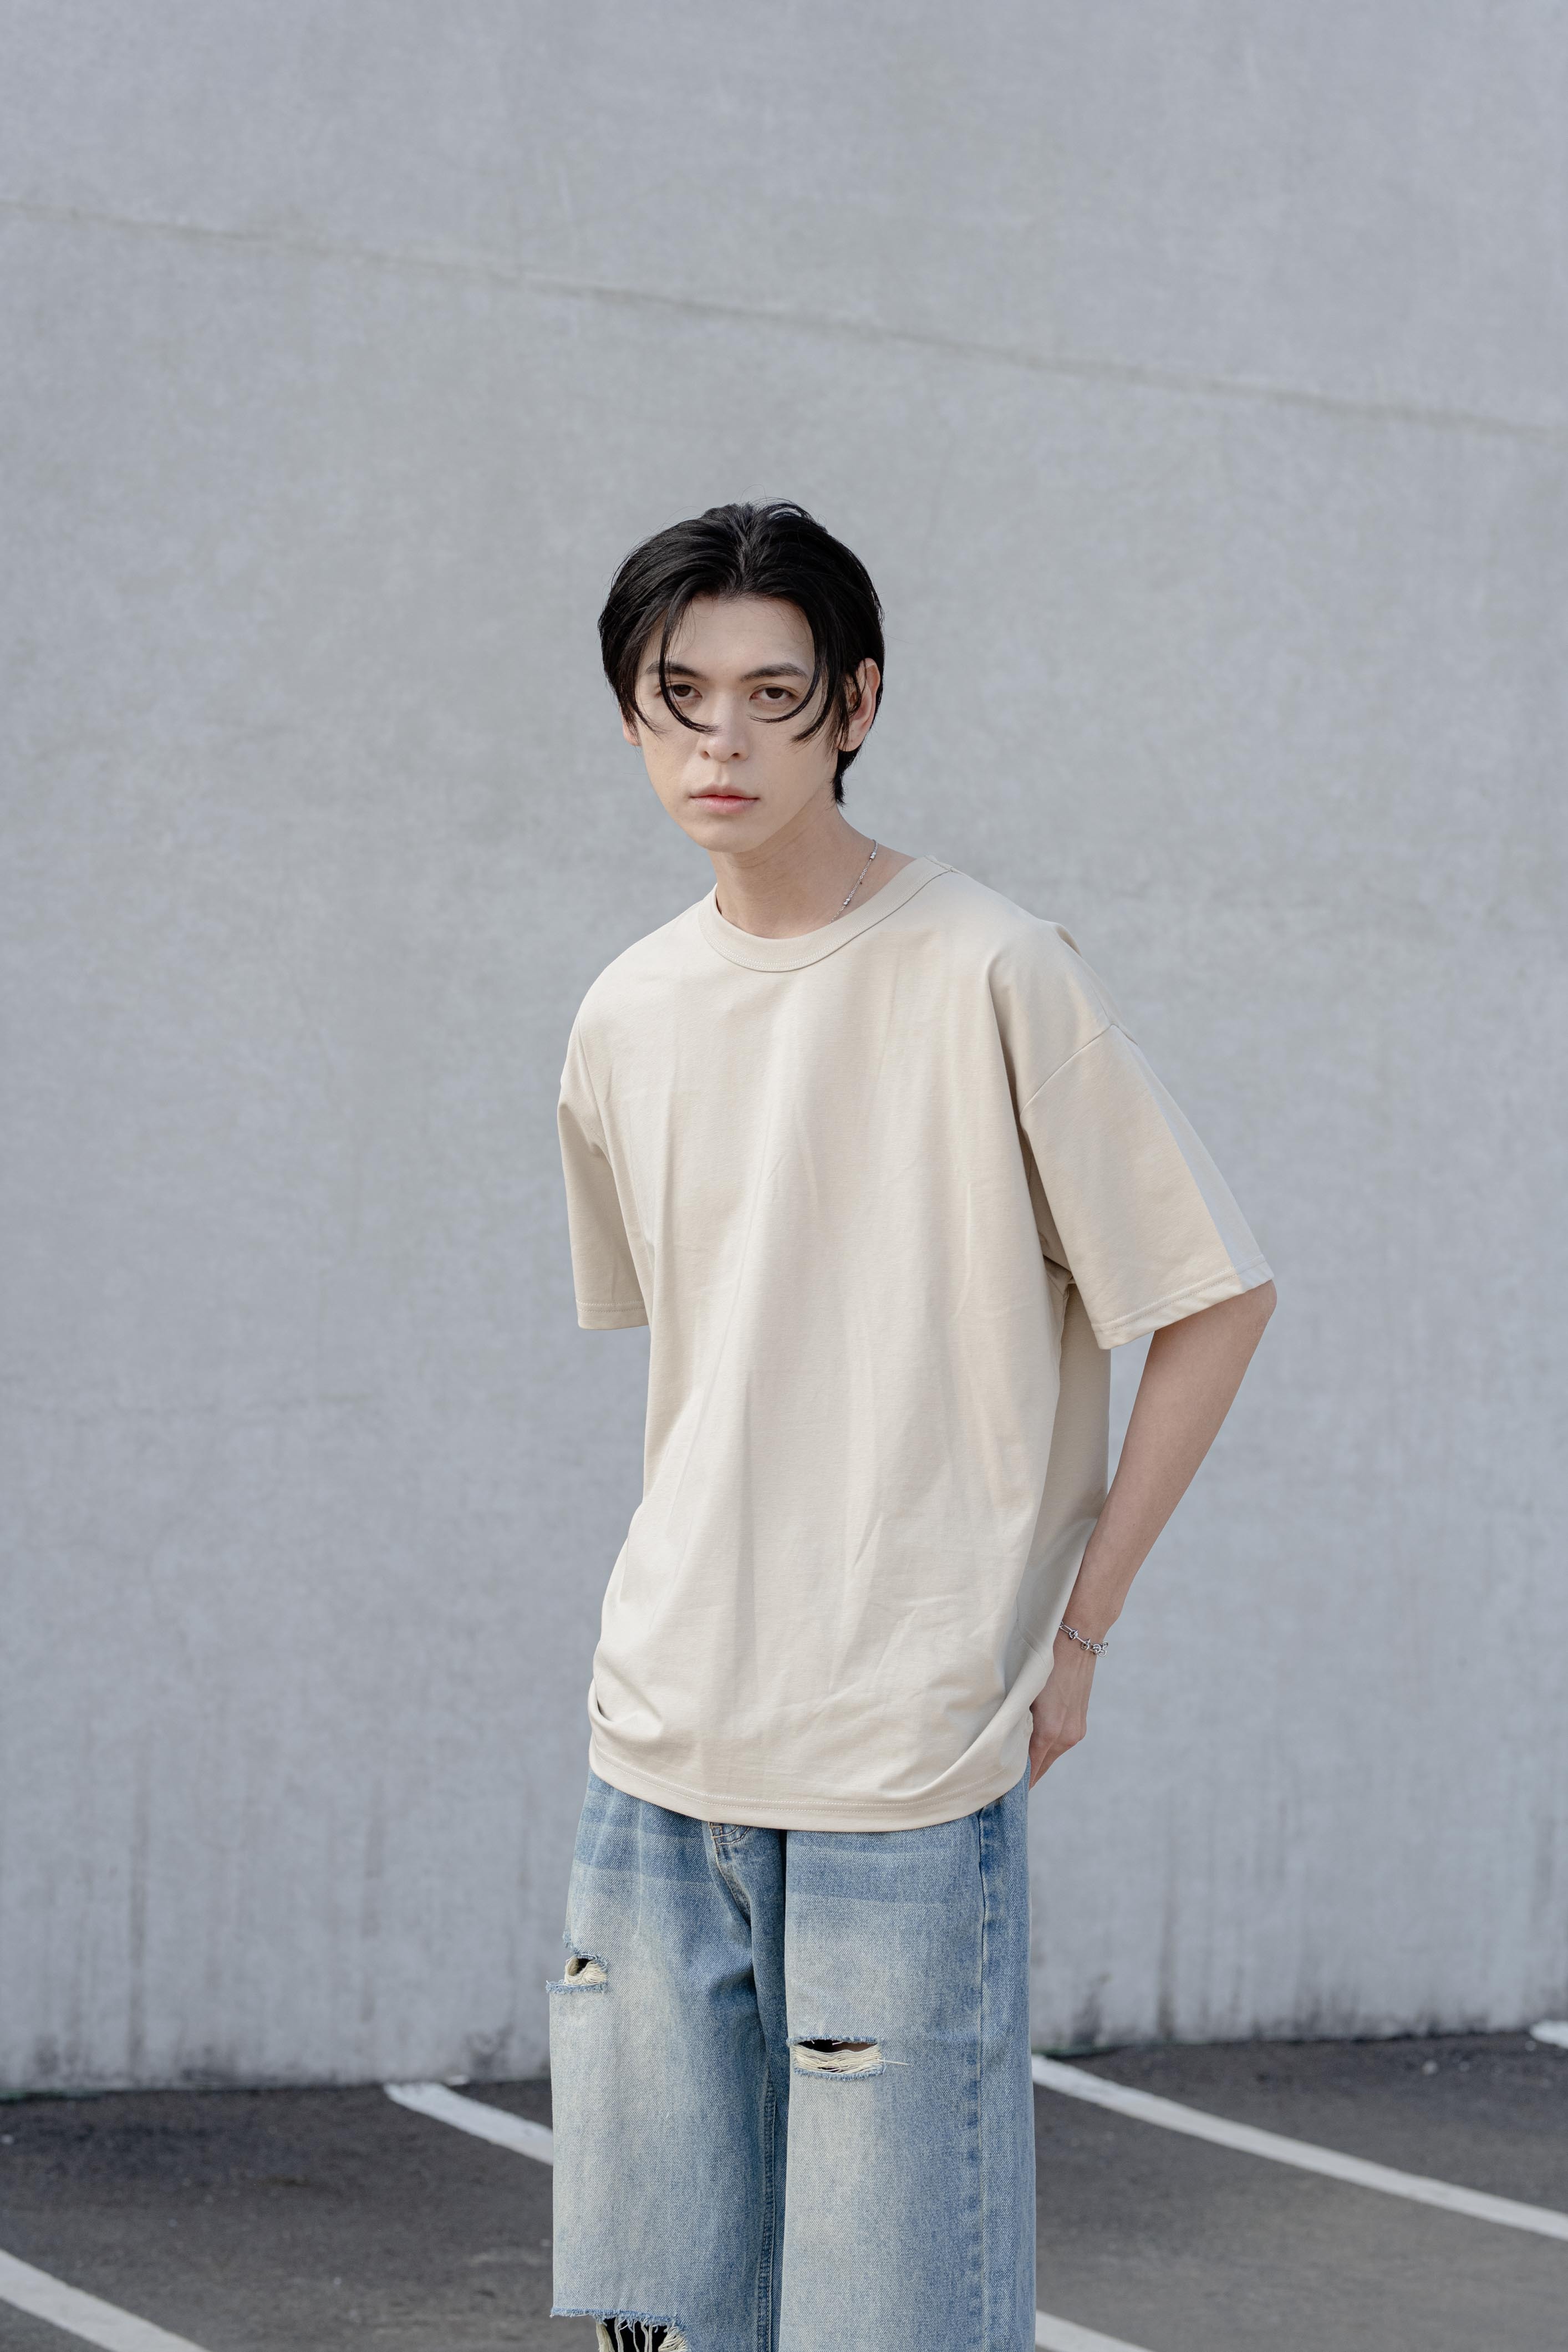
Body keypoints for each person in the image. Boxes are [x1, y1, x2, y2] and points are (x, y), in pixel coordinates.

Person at [551, 501, 1275, 2352]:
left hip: (903, 1744)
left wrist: (1077, 1633)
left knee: (893, 2322)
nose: (721, 742)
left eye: (772, 694)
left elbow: (1211, 1298)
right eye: (680, 696)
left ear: (856, 704)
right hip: (659, 1736)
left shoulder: (991, 968)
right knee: (658, 2320)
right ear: (630, 714)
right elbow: (718, 1364)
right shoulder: (623, 1014)